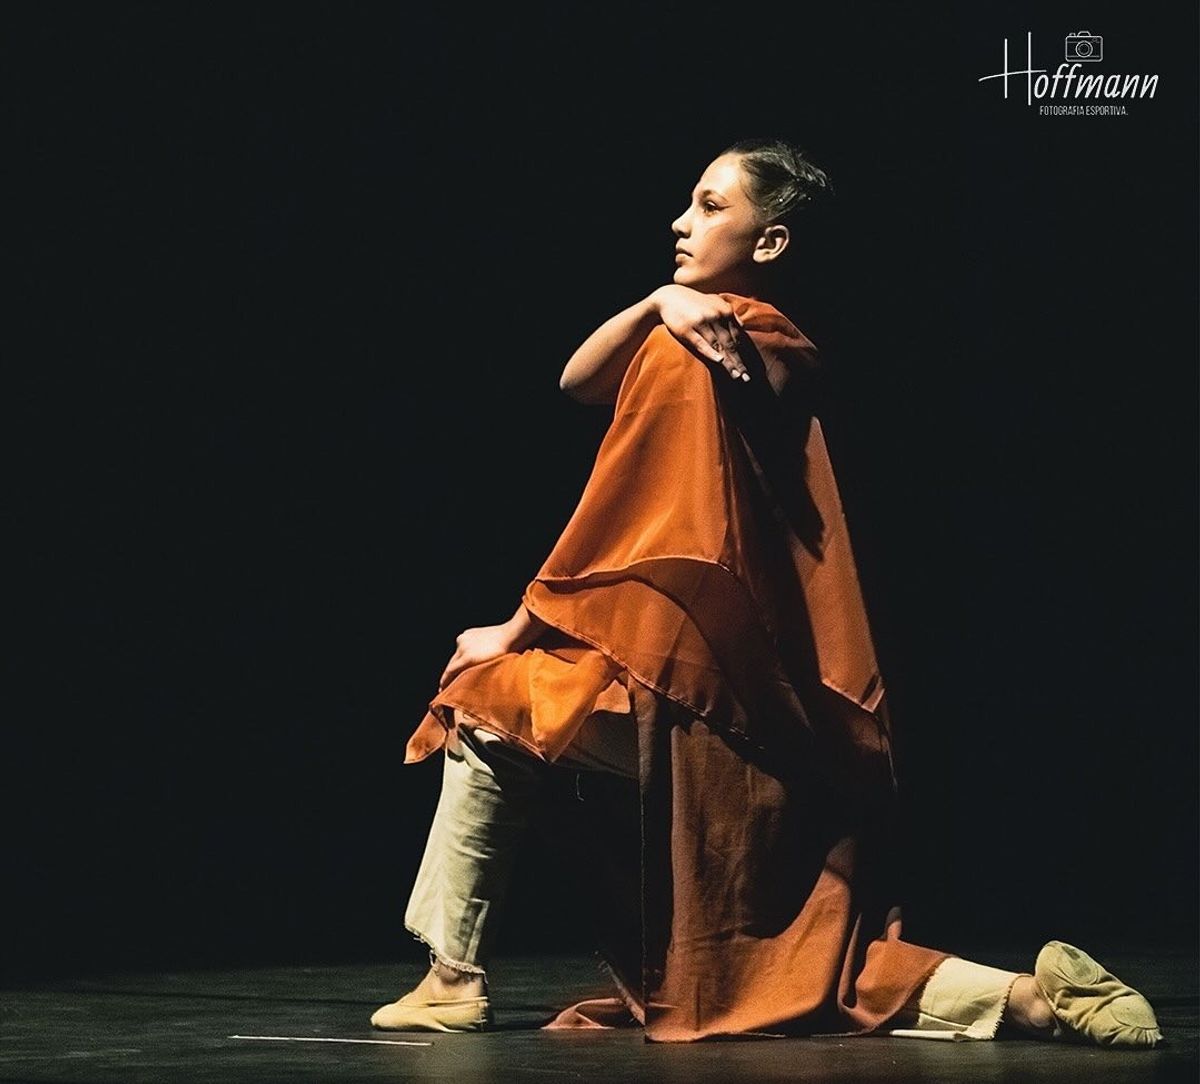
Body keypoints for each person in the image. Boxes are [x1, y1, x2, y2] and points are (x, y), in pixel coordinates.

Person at [369, 139, 1164, 1047]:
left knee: (485, 705)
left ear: (772, 241)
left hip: (705, 697)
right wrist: (661, 298)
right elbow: (578, 380)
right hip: (784, 709)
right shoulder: (774, 344)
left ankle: (450, 978)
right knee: (795, 957)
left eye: (710, 206)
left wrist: (515, 630)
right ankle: (1030, 998)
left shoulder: (698, 354)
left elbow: (636, 521)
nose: (680, 221)